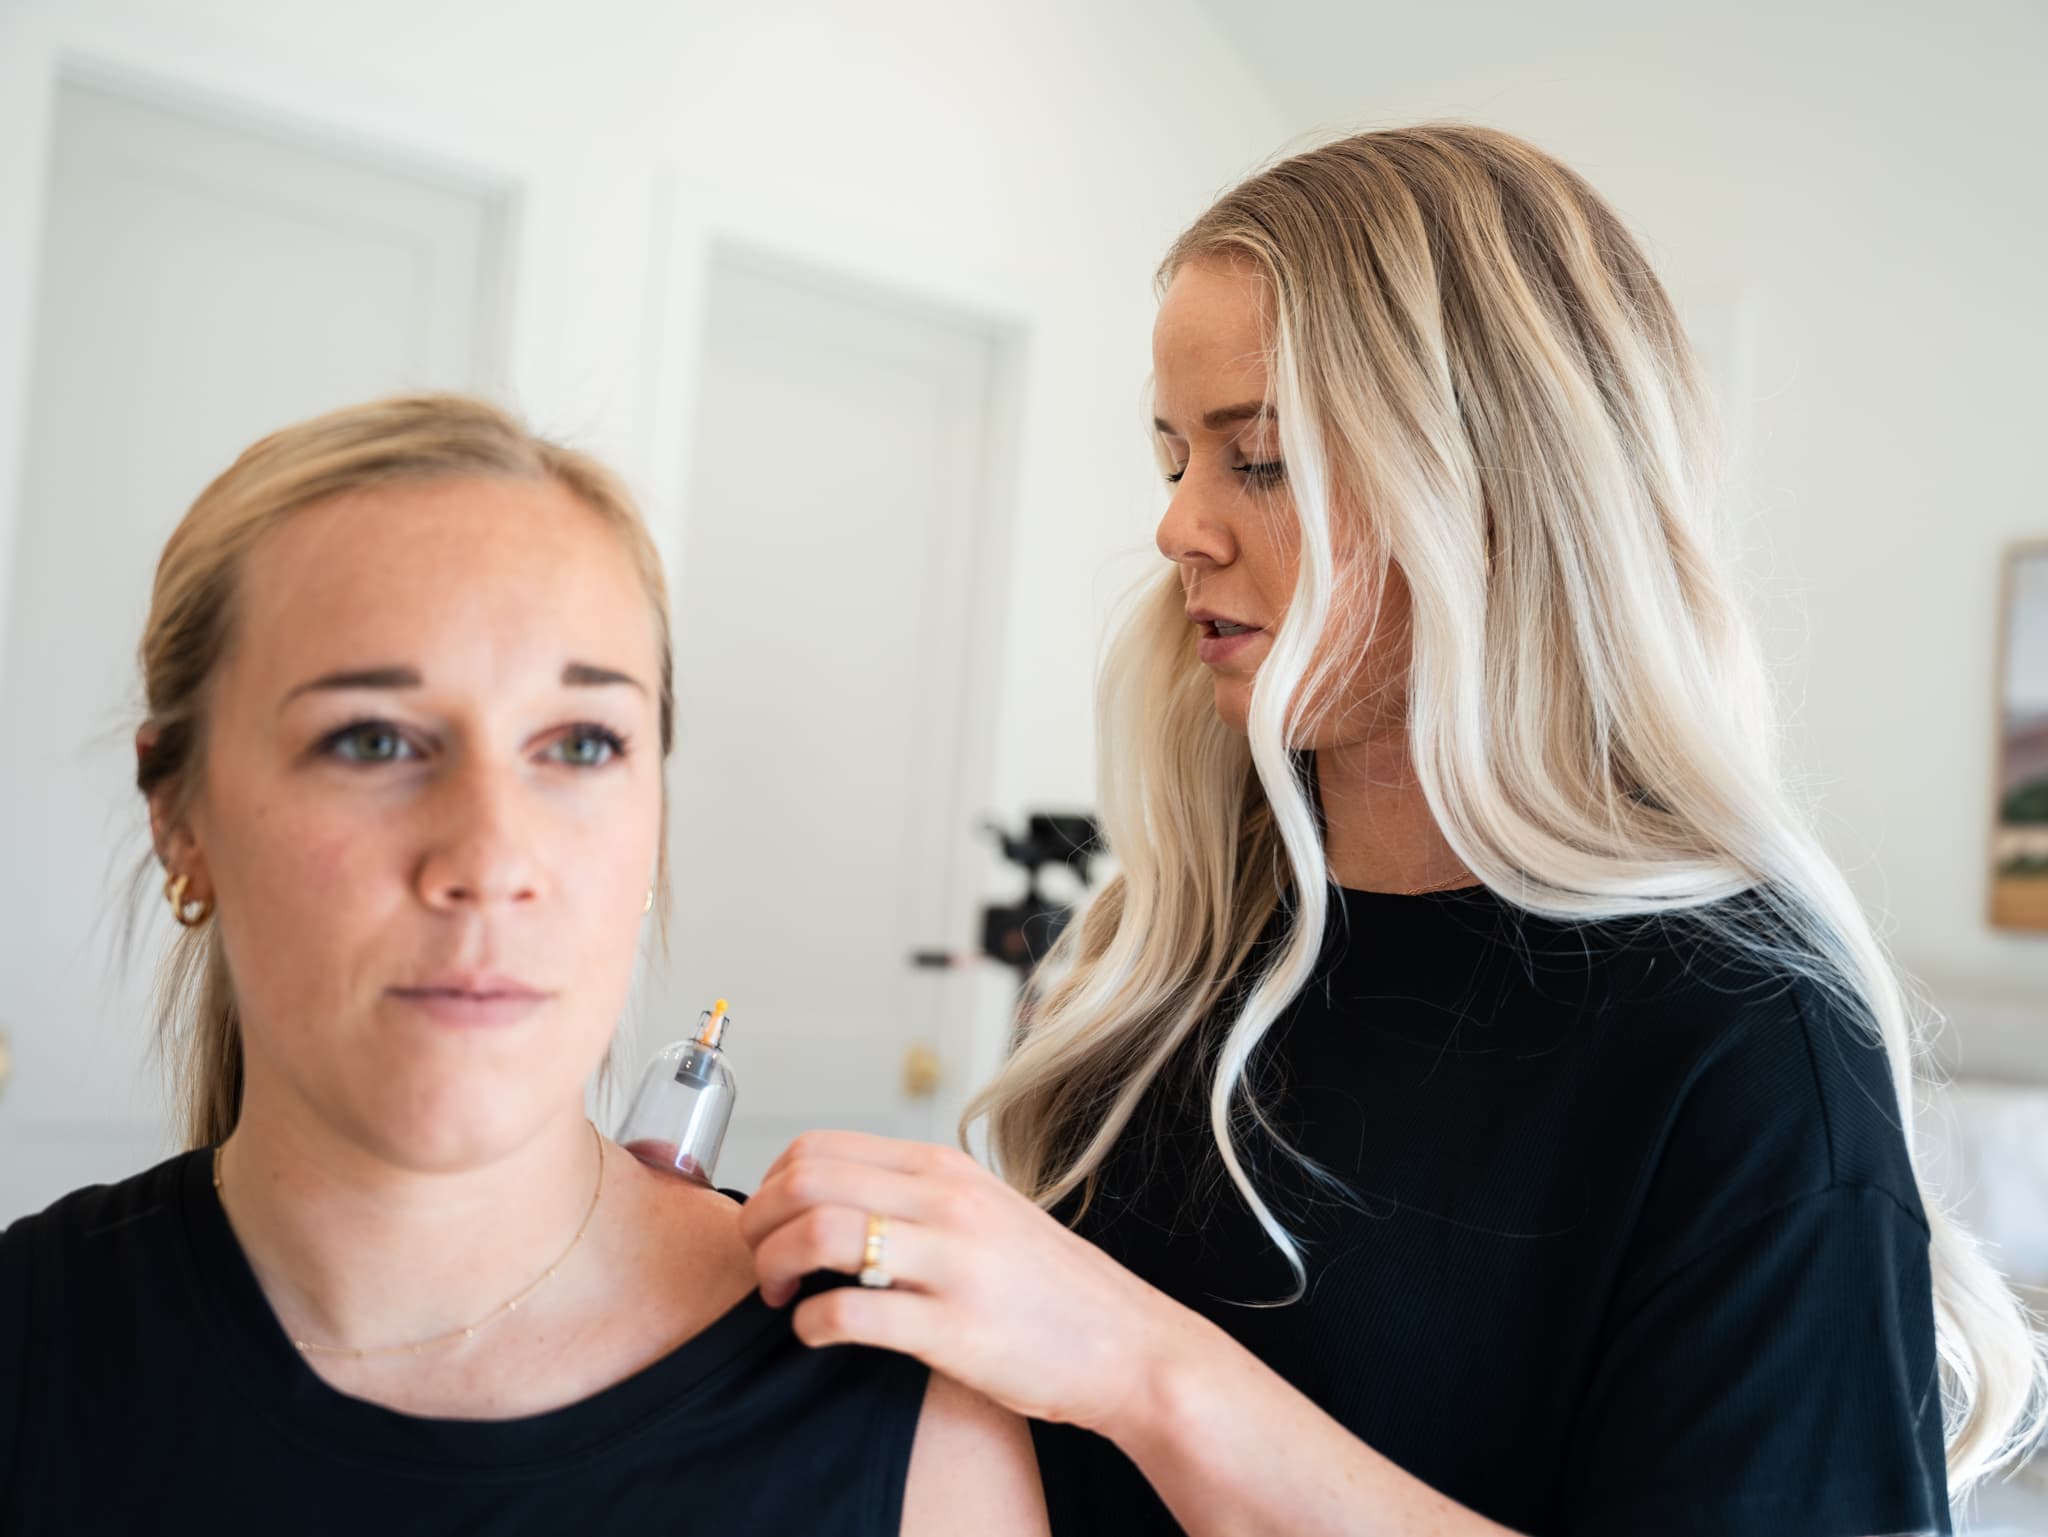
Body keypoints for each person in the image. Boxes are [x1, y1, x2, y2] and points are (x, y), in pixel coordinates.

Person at [736, 123, 2048, 1536]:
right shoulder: (1168, 944)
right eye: (1175, 456)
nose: (1178, 526)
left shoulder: (1738, 1046)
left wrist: (1141, 1366)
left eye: (1263, 462)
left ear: (1495, 495)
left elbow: (1119, 1379)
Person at [0, 395, 1049, 1536]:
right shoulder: (27, 1349)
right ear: (178, 813)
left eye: (581, 744)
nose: (492, 860)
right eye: (373, 739)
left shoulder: (886, 1403)